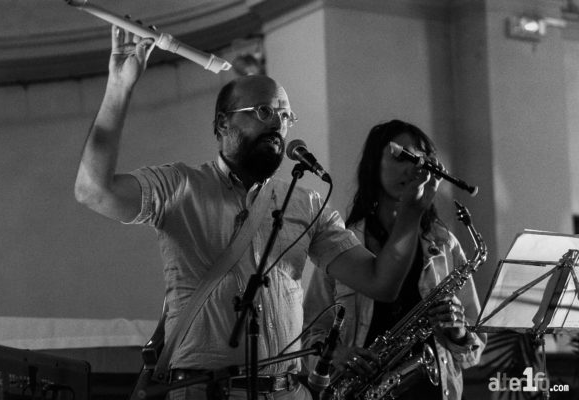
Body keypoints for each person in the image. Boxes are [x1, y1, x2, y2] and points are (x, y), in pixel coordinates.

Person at [73, 26, 433, 400]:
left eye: (286, 115)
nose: (278, 123)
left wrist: (411, 213)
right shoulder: (181, 187)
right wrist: (119, 87)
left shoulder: (306, 203)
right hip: (204, 392)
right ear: (222, 123)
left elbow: (380, 282)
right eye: (264, 111)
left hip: (287, 392)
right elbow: (93, 191)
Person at [302, 120, 487, 400]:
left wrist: (459, 332)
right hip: (359, 390)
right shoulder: (343, 244)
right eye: (403, 157)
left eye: (422, 160)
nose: (414, 169)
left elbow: (474, 351)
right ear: (373, 166)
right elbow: (310, 333)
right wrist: (336, 355)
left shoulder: (444, 243)